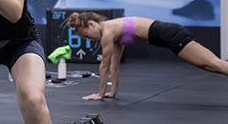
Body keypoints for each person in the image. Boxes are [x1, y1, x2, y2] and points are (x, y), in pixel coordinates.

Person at [66, 12, 228, 100]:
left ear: (92, 24)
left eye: (87, 35)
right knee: (211, 66)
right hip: (170, 35)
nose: (90, 40)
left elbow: (104, 66)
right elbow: (114, 66)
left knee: (215, 64)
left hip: (171, 34)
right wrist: (112, 92)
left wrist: (100, 95)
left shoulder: (108, 31)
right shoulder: (114, 32)